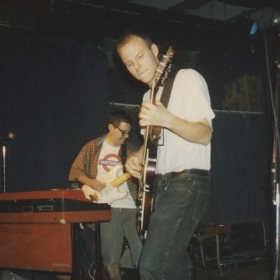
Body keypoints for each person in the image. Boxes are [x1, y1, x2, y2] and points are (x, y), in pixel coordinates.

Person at [116, 29, 215, 280]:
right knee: (173, 265)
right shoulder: (147, 97)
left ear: (155, 51)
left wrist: (166, 118)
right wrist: (136, 156)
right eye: (129, 63)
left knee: (151, 265)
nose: (136, 66)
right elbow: (154, 142)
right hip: (159, 188)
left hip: (187, 182)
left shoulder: (186, 78)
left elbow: (204, 134)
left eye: (139, 56)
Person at [69, 109, 142, 280]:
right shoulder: (92, 147)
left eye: (129, 132)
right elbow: (75, 172)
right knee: (111, 256)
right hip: (107, 206)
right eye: (123, 131)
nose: (126, 136)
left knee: (142, 253)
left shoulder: (131, 150)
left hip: (130, 206)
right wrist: (91, 182)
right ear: (111, 126)